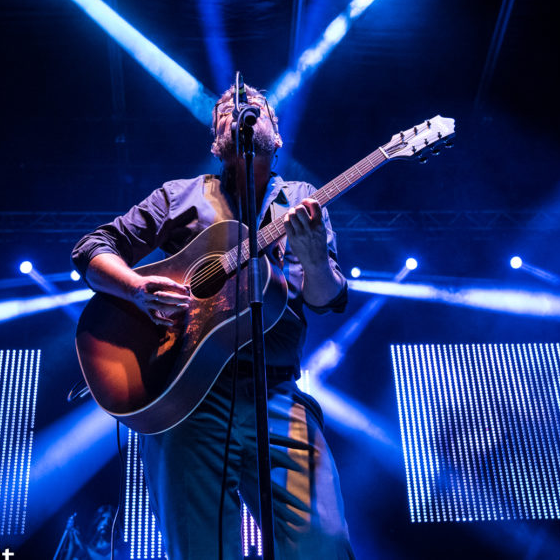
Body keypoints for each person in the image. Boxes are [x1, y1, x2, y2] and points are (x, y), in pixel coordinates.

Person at [71, 84, 355, 559]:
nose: (239, 113)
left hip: (277, 392)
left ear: (277, 135)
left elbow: (326, 298)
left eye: (253, 109)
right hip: (185, 398)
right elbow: (92, 249)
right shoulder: (178, 196)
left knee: (323, 541)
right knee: (203, 549)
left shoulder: (303, 199)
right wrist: (134, 288)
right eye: (226, 111)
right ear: (215, 140)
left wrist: (313, 258)